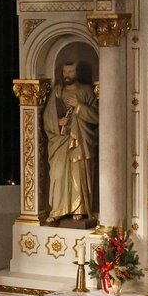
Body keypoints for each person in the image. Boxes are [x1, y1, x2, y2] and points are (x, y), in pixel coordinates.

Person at [43, 60, 98, 224]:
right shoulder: (57, 92)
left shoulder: (86, 91)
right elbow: (47, 117)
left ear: (77, 73)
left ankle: (78, 209)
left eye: (71, 72)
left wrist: (79, 107)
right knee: (58, 174)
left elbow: (97, 116)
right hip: (60, 141)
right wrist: (57, 123)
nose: (67, 75)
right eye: (65, 72)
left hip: (80, 141)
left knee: (78, 174)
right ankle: (59, 208)